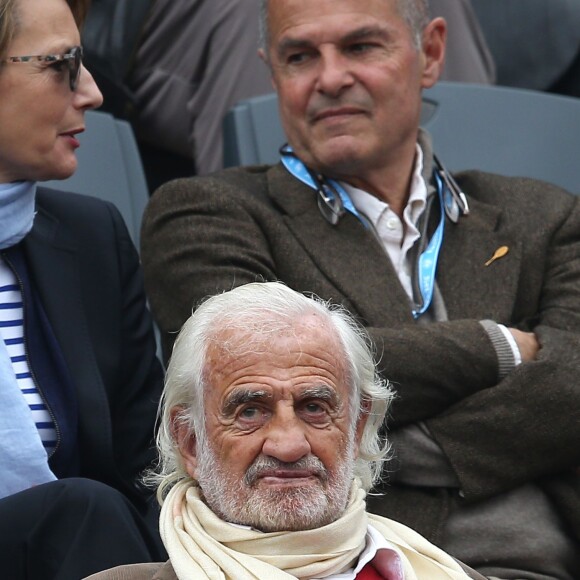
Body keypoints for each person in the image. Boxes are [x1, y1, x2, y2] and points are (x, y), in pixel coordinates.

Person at [140, 0, 580, 577]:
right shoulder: (207, 216)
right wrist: (500, 347)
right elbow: (258, 391)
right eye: (299, 56)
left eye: (360, 47)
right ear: (272, 72)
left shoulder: (541, 215)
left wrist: (391, 442)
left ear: (431, 53)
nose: (329, 78)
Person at [87, 282, 486, 580]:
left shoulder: (446, 572)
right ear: (190, 440)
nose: (289, 445)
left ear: (357, 426)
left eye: (314, 407)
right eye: (249, 411)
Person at [0, 0, 165, 577]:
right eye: (62, 66)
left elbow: (150, 467)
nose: (91, 93)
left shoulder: (90, 237)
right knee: (82, 509)